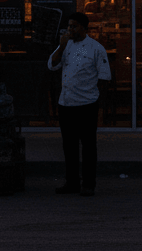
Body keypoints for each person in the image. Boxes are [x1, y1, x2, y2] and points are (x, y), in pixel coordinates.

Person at [47, 11, 111, 197]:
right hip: (66, 103)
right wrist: (60, 47)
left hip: (87, 104)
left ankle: (89, 184)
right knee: (69, 146)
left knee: (88, 146)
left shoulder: (95, 48)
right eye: (69, 26)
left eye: (74, 26)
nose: (70, 30)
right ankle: (72, 182)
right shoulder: (65, 46)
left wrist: (99, 104)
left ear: (84, 27)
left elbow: (104, 78)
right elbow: (52, 65)